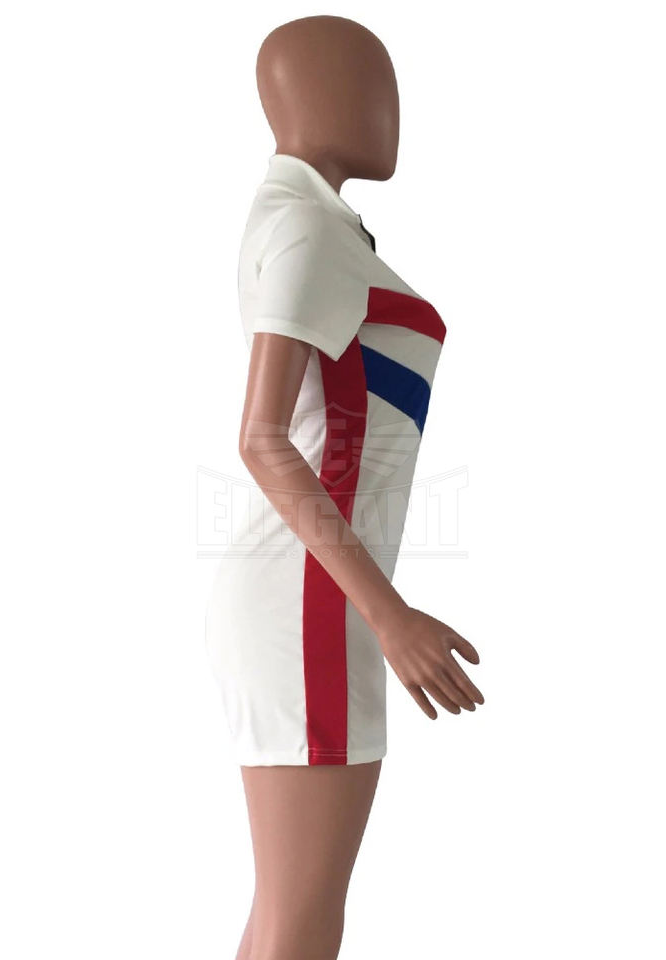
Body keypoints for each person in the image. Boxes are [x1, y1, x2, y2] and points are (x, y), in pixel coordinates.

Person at [204, 15, 484, 960]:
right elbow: (262, 439)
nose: (388, 107)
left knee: (288, 909)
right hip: (313, 598)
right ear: (302, 93)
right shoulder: (305, 228)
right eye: (370, 81)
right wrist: (390, 616)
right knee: (302, 912)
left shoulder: (315, 222)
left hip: (310, 590)